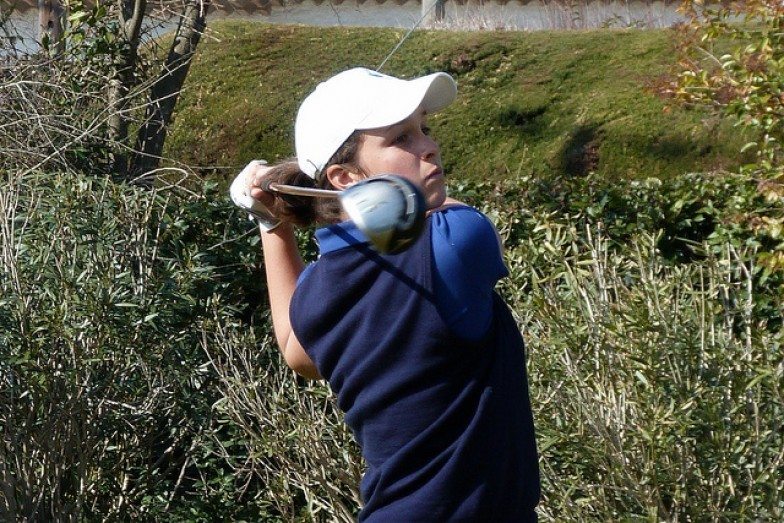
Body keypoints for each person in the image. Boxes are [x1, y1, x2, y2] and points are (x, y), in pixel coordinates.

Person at [230, 67, 540, 521]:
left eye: (424, 129)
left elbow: (298, 354)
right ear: (346, 178)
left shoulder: (317, 287)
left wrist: (272, 223)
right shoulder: (454, 242)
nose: (429, 146)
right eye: (401, 139)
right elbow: (435, 220)